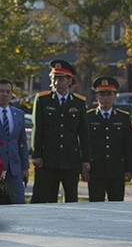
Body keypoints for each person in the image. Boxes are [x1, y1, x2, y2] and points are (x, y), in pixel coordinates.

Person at [30, 59, 91, 203]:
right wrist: (36, 154)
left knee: (71, 198)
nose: (57, 82)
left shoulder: (78, 102)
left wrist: (86, 159)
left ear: (70, 81)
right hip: (48, 159)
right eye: (54, 78)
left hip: (70, 159)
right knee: (46, 198)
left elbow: (83, 133)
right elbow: (37, 129)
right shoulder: (43, 100)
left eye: (61, 79)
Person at [87, 76, 132, 202]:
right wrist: (84, 166)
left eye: (109, 94)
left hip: (116, 171)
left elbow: (128, 145)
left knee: (117, 205)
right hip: (96, 171)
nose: (105, 98)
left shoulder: (123, 118)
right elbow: (85, 144)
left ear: (115, 96)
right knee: (96, 206)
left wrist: (129, 169)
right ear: (96, 97)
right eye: (101, 94)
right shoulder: (88, 117)